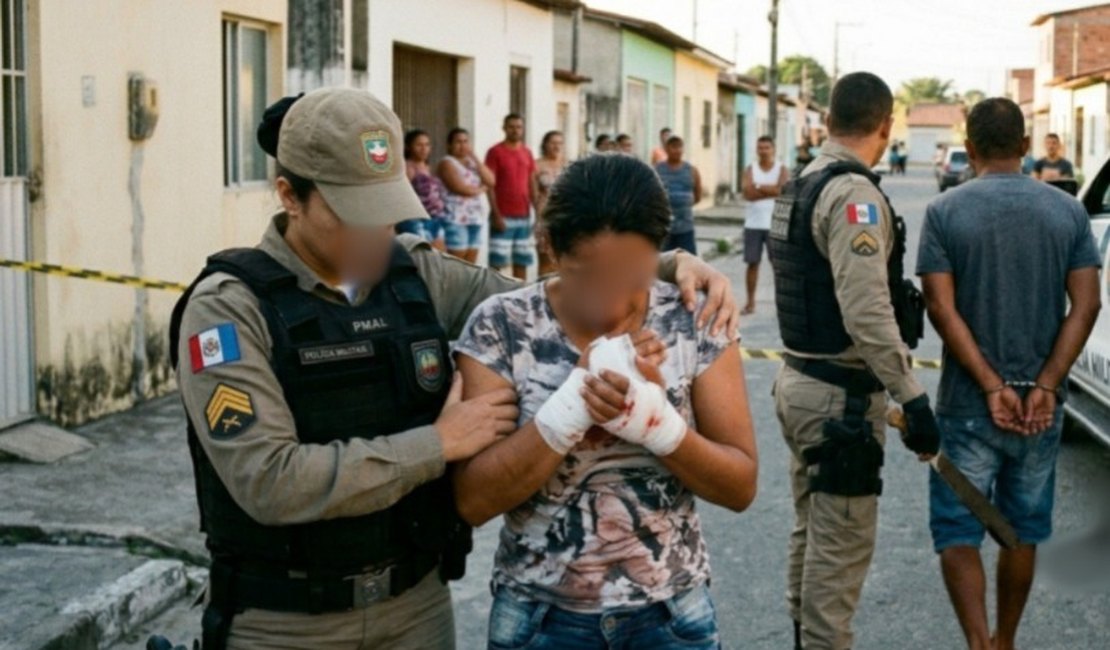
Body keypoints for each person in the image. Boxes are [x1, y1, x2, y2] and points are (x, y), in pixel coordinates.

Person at [165, 88, 742, 650]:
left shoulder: (414, 275)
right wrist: (436, 444)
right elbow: (269, 481)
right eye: (354, 215)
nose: (378, 233)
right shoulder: (228, 310)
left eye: (387, 211)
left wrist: (664, 264)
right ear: (289, 195)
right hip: (286, 621)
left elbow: (551, 294)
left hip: (414, 607)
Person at [451, 153, 758, 650]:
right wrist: (572, 406)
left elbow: (740, 486)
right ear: (549, 246)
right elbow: (472, 501)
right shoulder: (502, 326)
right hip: (539, 615)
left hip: (671, 612)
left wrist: (657, 424)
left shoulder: (691, 319)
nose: (612, 302)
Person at [917, 98, 1101, 650]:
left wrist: (990, 384)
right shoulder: (1067, 211)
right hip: (1039, 409)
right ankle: (1006, 640)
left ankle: (978, 643)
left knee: (958, 530)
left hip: (968, 403)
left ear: (969, 149)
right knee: (1019, 531)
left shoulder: (945, 211)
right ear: (1025, 147)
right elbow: (1087, 305)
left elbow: (939, 307)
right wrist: (1045, 385)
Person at [767, 72, 940, 650]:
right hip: (839, 399)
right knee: (839, 553)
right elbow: (866, 311)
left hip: (799, 382)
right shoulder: (854, 195)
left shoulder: (803, 181)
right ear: (887, 126)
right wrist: (911, 396)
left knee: (812, 533)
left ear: (829, 119)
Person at [486, 113, 538, 280]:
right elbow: (490, 185)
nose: (515, 130)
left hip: (523, 216)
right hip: (502, 216)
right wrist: (495, 215)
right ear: (504, 128)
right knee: (497, 262)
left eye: (519, 127)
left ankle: (519, 296)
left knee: (521, 261)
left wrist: (537, 213)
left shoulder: (527, 153)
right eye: (511, 127)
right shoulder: (495, 152)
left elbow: (532, 184)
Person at [740, 135, 788, 315]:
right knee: (752, 263)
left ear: (773, 149)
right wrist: (771, 189)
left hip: (775, 224)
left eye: (767, 147)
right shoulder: (750, 168)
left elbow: (783, 190)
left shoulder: (781, 168)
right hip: (753, 224)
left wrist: (758, 186)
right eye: (760, 148)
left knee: (778, 266)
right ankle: (750, 302)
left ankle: (781, 303)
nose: (763, 151)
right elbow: (747, 193)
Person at [438, 127, 494, 263]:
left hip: (475, 217)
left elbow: (491, 181)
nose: (462, 145)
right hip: (456, 217)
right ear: (449, 145)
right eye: (458, 142)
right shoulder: (447, 163)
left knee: (471, 260)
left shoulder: (472, 163)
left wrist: (475, 157)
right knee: (457, 259)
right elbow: (460, 188)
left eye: (465, 141)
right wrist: (481, 189)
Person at [655, 135, 702, 255]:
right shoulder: (658, 170)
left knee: (689, 263)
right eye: (673, 147)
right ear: (666, 149)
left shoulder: (691, 170)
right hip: (664, 228)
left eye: (679, 147)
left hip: (686, 227)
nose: (677, 150)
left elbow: (698, 195)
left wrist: (683, 203)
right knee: (663, 266)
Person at [405, 129, 447, 249]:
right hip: (417, 220)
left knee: (439, 257)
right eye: (419, 145)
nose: (424, 148)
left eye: (427, 144)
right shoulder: (408, 167)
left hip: (435, 218)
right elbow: (405, 195)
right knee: (424, 258)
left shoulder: (427, 166)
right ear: (408, 147)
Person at [534, 130, 567, 277]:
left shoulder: (569, 165)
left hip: (566, 216)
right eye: (553, 142)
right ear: (545, 144)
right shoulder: (537, 165)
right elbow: (533, 193)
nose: (556, 146)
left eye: (560, 143)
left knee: (564, 258)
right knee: (546, 258)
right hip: (545, 215)